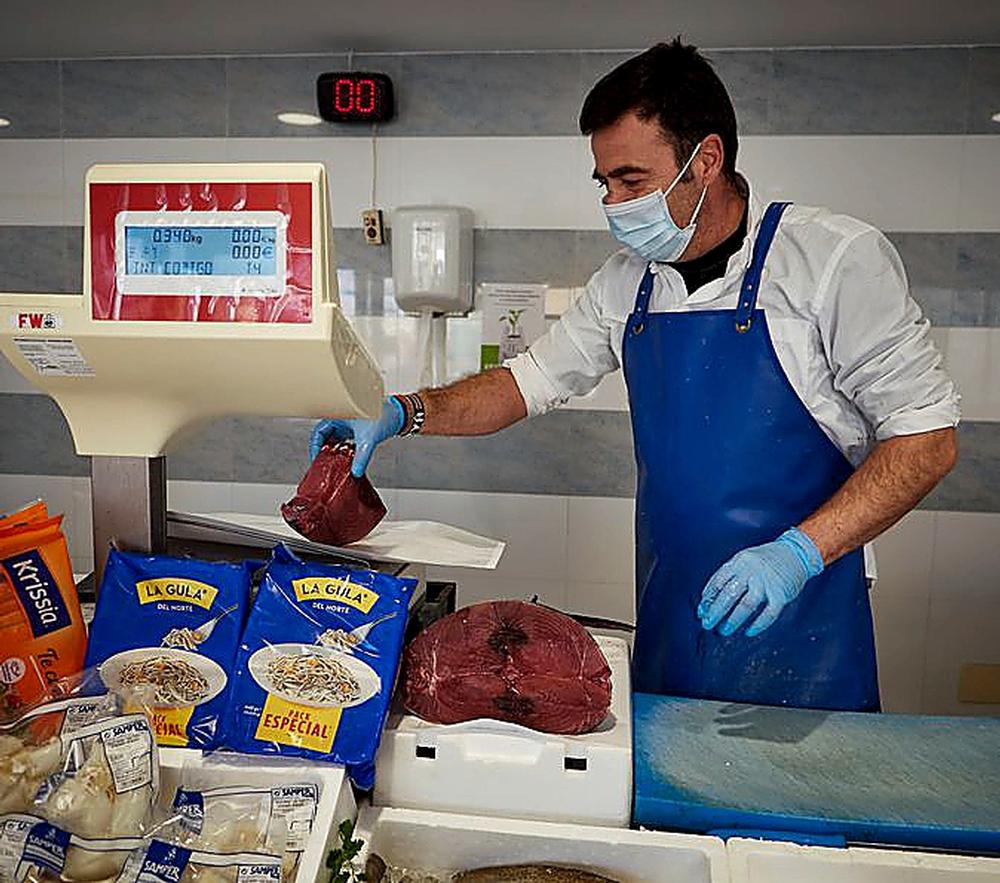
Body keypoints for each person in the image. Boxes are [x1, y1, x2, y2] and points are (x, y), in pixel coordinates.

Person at [311, 39, 959, 711]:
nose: (615, 205)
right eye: (605, 184)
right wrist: (398, 411)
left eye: (632, 180)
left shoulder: (831, 261)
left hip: (806, 616)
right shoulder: (627, 284)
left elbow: (926, 438)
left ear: (706, 160)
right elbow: (522, 383)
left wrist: (795, 553)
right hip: (671, 613)